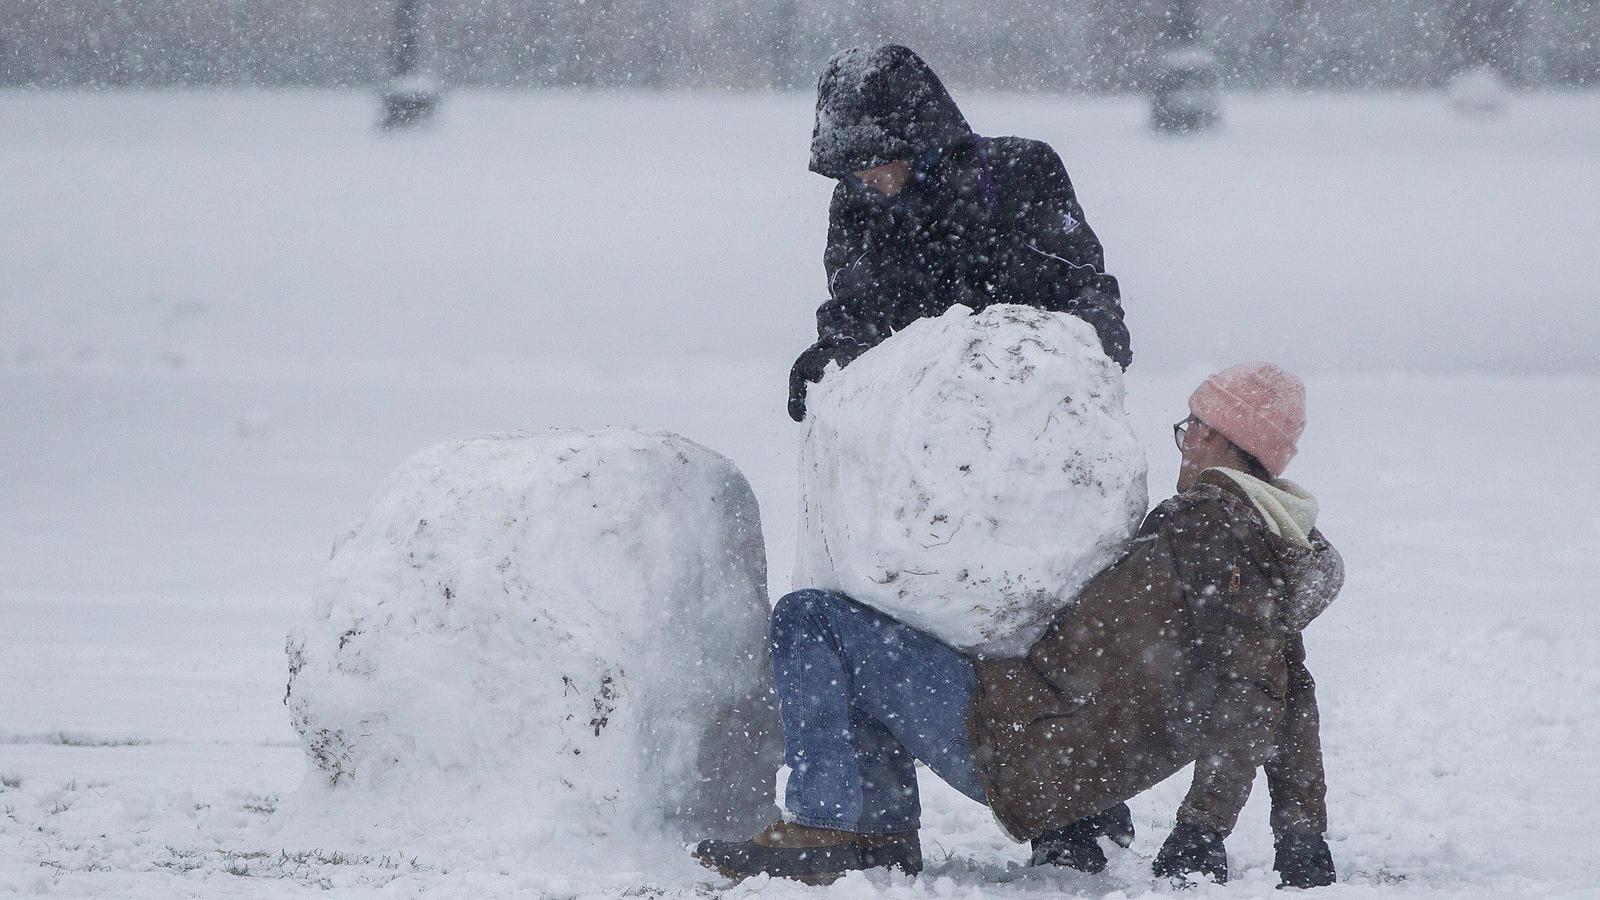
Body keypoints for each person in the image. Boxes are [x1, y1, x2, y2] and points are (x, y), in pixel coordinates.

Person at [694, 363, 1342, 889]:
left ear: (1226, 440)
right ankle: (878, 835)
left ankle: (826, 826)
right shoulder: (1257, 545)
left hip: (1024, 748)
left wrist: (1203, 830)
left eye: (1195, 426)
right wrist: (1301, 836)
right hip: (1054, 758)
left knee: (813, 621)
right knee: (868, 637)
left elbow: (1250, 694)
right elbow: (1291, 694)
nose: (1186, 440)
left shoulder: (1214, 529)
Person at [787, 45, 1130, 423]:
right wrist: (839, 351)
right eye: (847, 168)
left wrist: (1096, 324)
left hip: (1039, 405)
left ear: (914, 136)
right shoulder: (856, 205)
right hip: (929, 419)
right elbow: (856, 306)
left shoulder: (1019, 173)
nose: (862, 177)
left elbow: (1080, 278)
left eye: (872, 159)